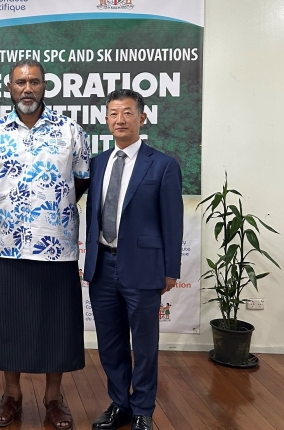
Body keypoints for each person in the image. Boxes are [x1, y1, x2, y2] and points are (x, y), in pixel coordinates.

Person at [0, 59, 90, 429]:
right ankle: (12, 395)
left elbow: (81, 180)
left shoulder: (71, 131)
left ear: (45, 87)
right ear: (9, 88)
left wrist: (52, 209)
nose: (27, 89)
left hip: (58, 245)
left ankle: (54, 399)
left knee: (57, 325)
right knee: (10, 324)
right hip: (6, 245)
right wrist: (10, 209)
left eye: (34, 82)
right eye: (20, 82)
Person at [83, 89, 183, 430]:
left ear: (142, 118)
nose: (120, 120)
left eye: (127, 113)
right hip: (101, 266)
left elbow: (172, 220)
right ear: (106, 119)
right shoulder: (97, 163)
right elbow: (91, 216)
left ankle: (143, 410)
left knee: (143, 344)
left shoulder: (163, 165)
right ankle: (119, 404)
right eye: (113, 113)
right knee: (110, 344)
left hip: (143, 268)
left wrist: (171, 270)